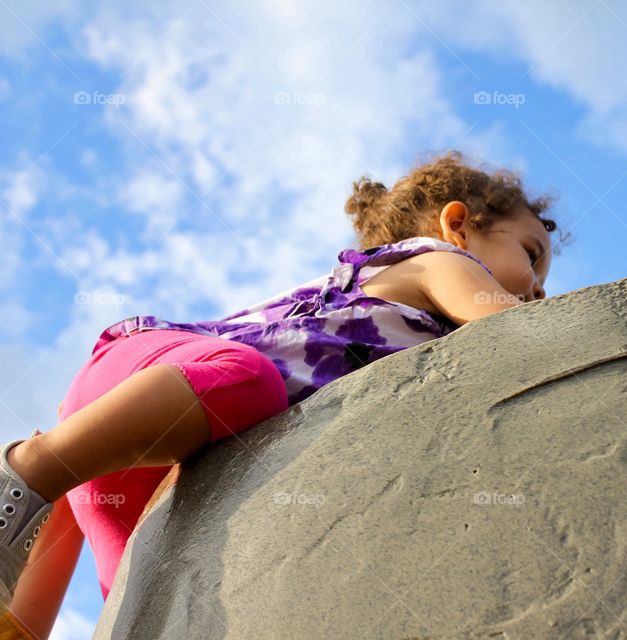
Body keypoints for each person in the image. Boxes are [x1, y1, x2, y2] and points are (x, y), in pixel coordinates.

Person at [0, 150, 565, 639]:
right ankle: (24, 474)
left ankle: (18, 609)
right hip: (150, 371)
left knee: (149, 599)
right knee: (250, 382)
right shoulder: (437, 260)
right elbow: (502, 325)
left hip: (136, 458)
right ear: (458, 224)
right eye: (532, 255)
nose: (539, 289)